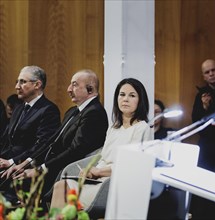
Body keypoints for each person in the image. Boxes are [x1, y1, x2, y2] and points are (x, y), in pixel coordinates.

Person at [3, 69, 109, 201]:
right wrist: (25, 163)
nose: (69, 89)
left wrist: (40, 170)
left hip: (64, 171)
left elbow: (75, 151)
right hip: (50, 166)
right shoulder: (73, 111)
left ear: (90, 89)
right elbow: (50, 143)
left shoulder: (94, 113)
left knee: (12, 185)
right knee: (12, 175)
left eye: (74, 85)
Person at [50, 78, 152, 210]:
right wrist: (89, 172)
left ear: (140, 101)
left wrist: (98, 171)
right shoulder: (114, 128)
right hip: (98, 180)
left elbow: (132, 166)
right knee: (61, 185)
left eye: (132, 95)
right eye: (122, 95)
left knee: (67, 195)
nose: (125, 99)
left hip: (117, 183)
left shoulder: (142, 128)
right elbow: (103, 158)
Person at [0, 66, 61, 203]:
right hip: (7, 163)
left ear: (37, 85)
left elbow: (43, 145)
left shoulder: (48, 110)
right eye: (17, 81)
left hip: (24, 169)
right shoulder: (19, 107)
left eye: (22, 82)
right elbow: (6, 139)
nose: (17, 86)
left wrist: (12, 162)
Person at [191, 59, 215, 173]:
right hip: (207, 141)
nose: (211, 74)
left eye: (213, 70)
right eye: (207, 72)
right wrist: (204, 107)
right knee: (203, 175)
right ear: (204, 77)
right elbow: (196, 120)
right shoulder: (201, 94)